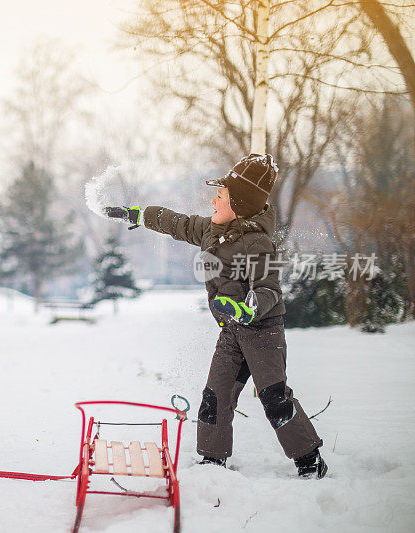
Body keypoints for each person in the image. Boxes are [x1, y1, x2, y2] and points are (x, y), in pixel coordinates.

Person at [104, 154, 327, 478]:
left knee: (274, 398)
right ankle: (212, 459)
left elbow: (269, 289)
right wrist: (138, 214)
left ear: (239, 203)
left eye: (220, 196)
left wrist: (247, 307)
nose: (213, 199)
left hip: (263, 333)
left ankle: (309, 460)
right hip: (233, 334)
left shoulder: (258, 243)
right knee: (215, 395)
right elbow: (176, 223)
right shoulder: (210, 230)